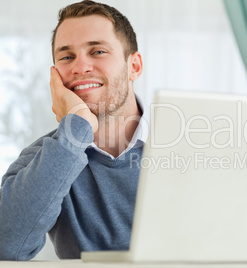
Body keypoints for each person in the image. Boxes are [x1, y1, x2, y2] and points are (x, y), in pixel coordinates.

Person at [0, 0, 147, 260]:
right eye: (67, 57)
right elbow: (6, 247)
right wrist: (78, 124)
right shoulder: (46, 156)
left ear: (134, 66)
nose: (80, 67)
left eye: (98, 51)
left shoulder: (190, 148)